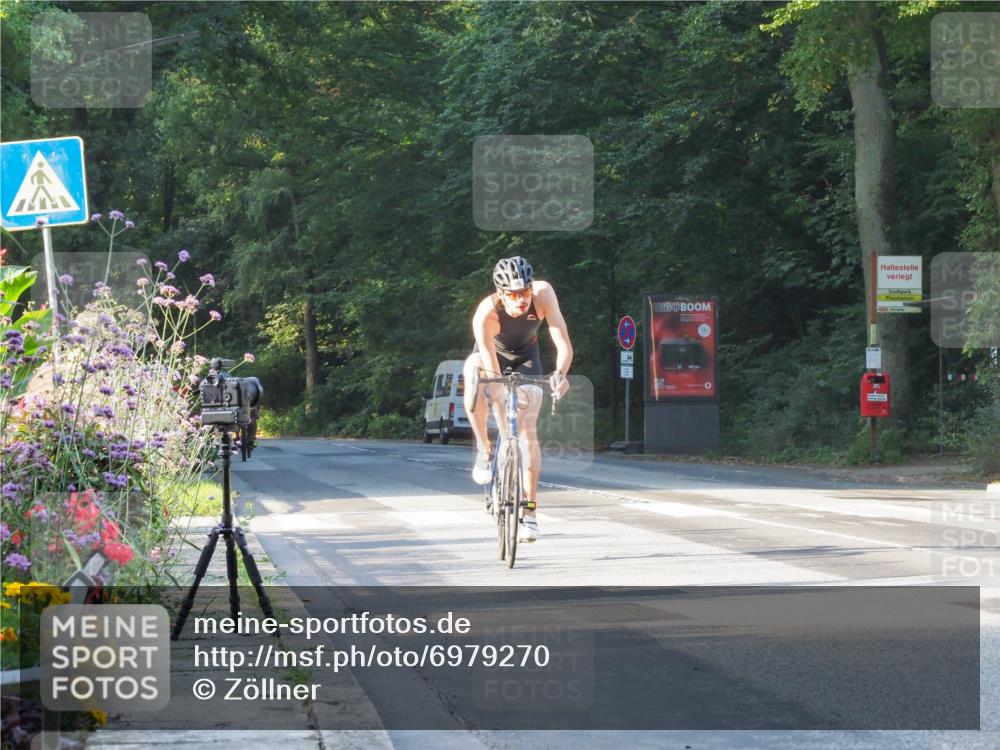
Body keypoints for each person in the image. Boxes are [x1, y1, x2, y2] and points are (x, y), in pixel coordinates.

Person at [462, 256, 573, 542]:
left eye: (524, 292)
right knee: (474, 374)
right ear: (501, 294)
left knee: (528, 431)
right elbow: (492, 371)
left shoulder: (544, 294)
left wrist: (560, 373)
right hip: (491, 357)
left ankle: (530, 513)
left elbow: (562, 342)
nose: (521, 299)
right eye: (513, 295)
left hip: (526, 358)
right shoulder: (486, 314)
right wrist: (502, 418)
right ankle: (485, 451)